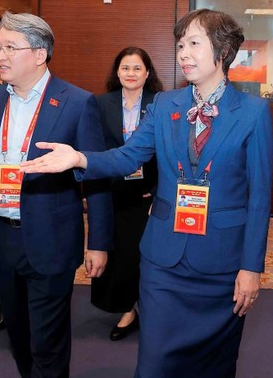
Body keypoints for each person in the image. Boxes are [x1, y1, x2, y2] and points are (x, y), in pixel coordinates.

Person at [21, 9, 273, 377]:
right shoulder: (165, 105)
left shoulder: (253, 112)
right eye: (180, 45)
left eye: (194, 44)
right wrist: (80, 158)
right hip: (162, 262)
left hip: (221, 263)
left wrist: (251, 268)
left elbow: (259, 198)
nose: (183, 53)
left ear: (223, 51)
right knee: (154, 364)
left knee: (214, 366)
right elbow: (127, 157)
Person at [0, 11, 113, 377]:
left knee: (48, 342)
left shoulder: (77, 102)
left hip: (51, 238)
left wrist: (99, 242)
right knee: (19, 336)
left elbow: (96, 177)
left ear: (40, 54)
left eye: (10, 47)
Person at [92, 46, 163, 341]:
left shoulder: (160, 104)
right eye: (125, 68)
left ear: (147, 73)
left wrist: (159, 191)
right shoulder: (100, 103)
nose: (131, 73)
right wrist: (90, 190)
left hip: (148, 194)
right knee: (119, 253)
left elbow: (169, 154)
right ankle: (127, 307)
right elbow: (93, 148)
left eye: (137, 68)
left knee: (143, 255)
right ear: (117, 72)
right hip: (112, 190)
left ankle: (147, 307)